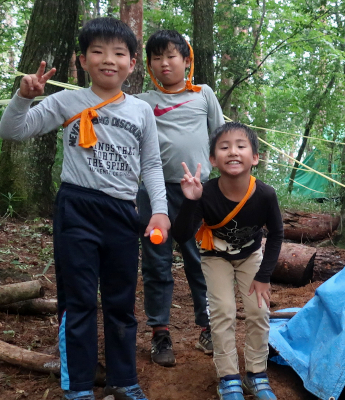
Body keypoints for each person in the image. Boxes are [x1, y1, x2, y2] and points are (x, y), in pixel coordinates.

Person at [0, 17, 165, 400]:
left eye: (119, 53)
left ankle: (125, 381)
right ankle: (79, 387)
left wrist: (160, 211)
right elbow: (13, 131)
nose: (109, 60)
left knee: (121, 302)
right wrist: (24, 97)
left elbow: (152, 166)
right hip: (77, 210)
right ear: (82, 60)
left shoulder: (140, 112)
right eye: (98, 51)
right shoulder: (67, 101)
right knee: (80, 299)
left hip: (123, 213)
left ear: (132, 63)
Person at [173, 123, 283, 400]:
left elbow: (277, 234)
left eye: (241, 146)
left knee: (259, 311)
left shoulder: (266, 194)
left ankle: (256, 374)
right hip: (215, 255)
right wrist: (190, 201)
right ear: (213, 159)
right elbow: (182, 235)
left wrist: (264, 277)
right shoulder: (206, 192)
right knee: (223, 310)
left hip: (251, 255)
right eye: (224, 147)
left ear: (255, 157)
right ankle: (228, 377)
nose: (233, 152)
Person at [135, 28, 225, 366]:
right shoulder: (143, 102)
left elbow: (220, 138)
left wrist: (220, 186)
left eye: (171, 56)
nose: (164, 63)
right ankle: (160, 334)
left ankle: (206, 327)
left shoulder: (203, 94)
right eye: (156, 58)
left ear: (186, 60)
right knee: (157, 262)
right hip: (154, 194)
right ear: (149, 65)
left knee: (200, 260)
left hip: (197, 194)